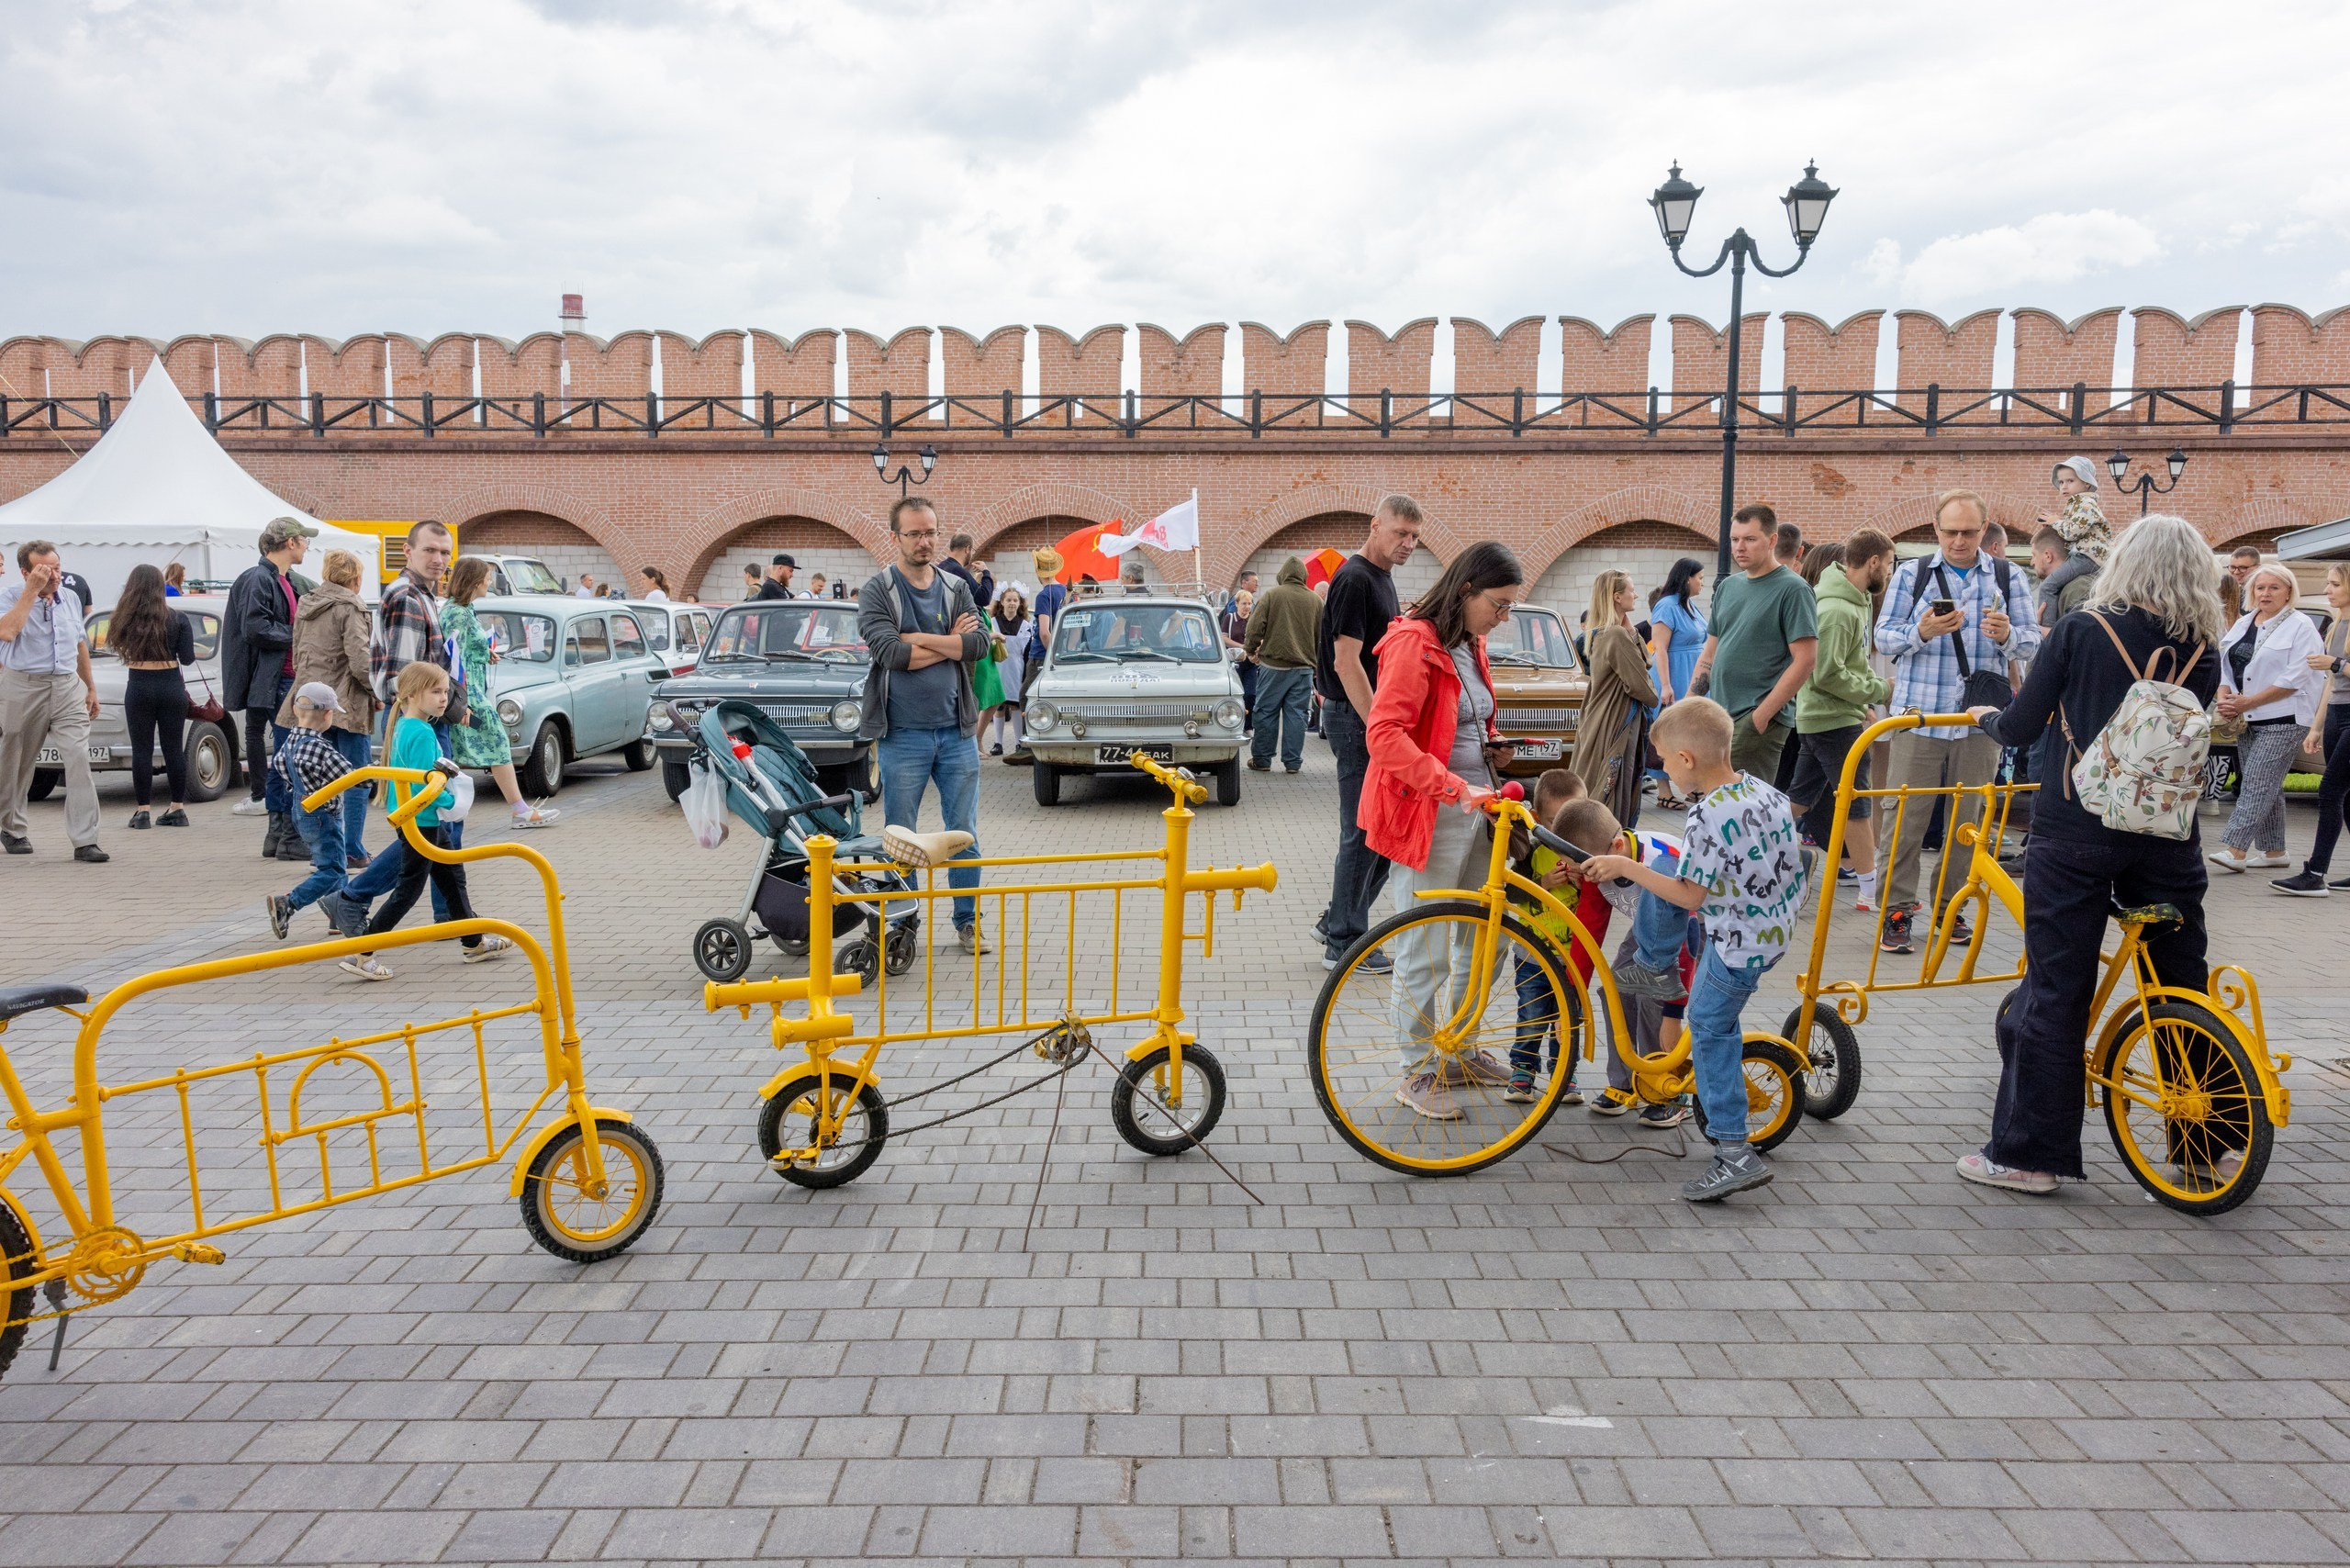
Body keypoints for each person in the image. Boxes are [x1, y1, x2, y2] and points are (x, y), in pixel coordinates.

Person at [1959, 515, 2222, 1193]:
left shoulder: (2083, 629)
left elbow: (2022, 724)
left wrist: (1986, 719)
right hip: (2167, 837)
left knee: (2058, 988)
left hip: (2078, 829)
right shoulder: (2204, 647)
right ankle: (2205, 1142)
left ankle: (2031, 1155)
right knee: (2181, 983)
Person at [1592, 697, 1805, 1203]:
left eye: (1665, 761)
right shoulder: (1764, 790)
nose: (1664, 770)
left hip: (1738, 945)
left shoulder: (1705, 813)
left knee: (1710, 1029)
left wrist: (1626, 868)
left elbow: (1690, 897)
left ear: (1686, 759)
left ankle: (1734, 1153)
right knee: (1667, 867)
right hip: (1768, 927)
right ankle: (1654, 967)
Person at [1360, 540, 1525, 1119]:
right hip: (1430, 811)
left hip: (1478, 808)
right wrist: (1455, 785)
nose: (1502, 617)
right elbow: (1384, 736)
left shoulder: (1469, 642)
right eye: (1499, 605)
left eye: (1509, 607)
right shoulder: (1414, 641)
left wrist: (1492, 749)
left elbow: (1462, 720)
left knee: (1487, 938)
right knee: (1425, 946)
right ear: (1467, 590)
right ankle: (1417, 1069)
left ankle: (1459, 1048)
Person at [1871, 489, 2041, 954]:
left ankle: (1951, 908)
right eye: (1950, 532)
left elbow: (2033, 644)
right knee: (1904, 821)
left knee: (1969, 824)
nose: (1959, 541)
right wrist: (1921, 632)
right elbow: (1884, 638)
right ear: (1936, 529)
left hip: (1979, 721)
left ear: (1984, 529)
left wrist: (2007, 636)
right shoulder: (1913, 573)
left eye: (1968, 532)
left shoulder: (2008, 575)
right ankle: (1896, 912)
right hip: (1918, 718)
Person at [857, 497, 989, 955]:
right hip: (903, 735)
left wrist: (921, 639)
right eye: (914, 533)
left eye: (930, 532)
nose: (924, 541)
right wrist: (950, 641)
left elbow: (979, 645)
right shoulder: (877, 591)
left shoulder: (956, 586)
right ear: (895, 537)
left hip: (957, 733)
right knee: (901, 836)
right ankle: (902, 924)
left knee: (964, 832)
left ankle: (968, 921)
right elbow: (891, 654)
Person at [1315, 495, 1424, 970]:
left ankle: (1337, 921)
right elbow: (1347, 662)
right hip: (1356, 719)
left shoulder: (1380, 577)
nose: (1409, 543)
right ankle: (1343, 942)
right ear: (1375, 525)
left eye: (1415, 536)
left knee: (1379, 832)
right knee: (1363, 832)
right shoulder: (1356, 577)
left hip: (1366, 720)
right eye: (1401, 533)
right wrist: (1379, 726)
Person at [352, 662, 512, 977]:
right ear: (412, 694)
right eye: (436, 692)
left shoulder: (405, 725)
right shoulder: (422, 732)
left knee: (452, 880)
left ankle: (473, 942)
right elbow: (427, 783)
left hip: (419, 820)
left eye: (446, 692)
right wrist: (454, 802)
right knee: (408, 891)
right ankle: (362, 952)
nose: (444, 699)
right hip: (421, 821)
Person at [1791, 530, 1897, 913]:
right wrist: (1878, 690)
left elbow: (1845, 666)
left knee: (1800, 800)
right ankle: (1871, 890)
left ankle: (1749, 847)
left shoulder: (1853, 601)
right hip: (1831, 720)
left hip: (1828, 716)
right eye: (1889, 563)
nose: (1890, 571)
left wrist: (1865, 699)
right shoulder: (1838, 609)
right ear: (1873, 562)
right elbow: (1826, 674)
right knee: (1856, 803)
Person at [367, 521, 464, 919]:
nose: (439, 559)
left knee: (436, 832)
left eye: (445, 552)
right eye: (430, 550)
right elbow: (405, 678)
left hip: (423, 715)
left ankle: (456, 919)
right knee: (428, 829)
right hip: (418, 717)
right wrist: (436, 704)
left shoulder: (422, 594)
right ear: (407, 551)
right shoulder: (408, 595)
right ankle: (352, 898)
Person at [2209, 563, 2325, 874]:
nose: (2266, 593)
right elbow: (2224, 662)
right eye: (2260, 587)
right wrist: (2226, 697)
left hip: (2285, 716)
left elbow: (2296, 677)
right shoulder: (2244, 622)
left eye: (2274, 587)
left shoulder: (2301, 626)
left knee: (2257, 782)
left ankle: (2235, 849)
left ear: (2288, 592)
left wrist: (2249, 700)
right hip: (2247, 717)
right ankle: (2274, 851)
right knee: (2265, 784)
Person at [1689, 503, 1817, 781]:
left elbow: (1806, 660)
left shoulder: (1793, 589)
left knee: (1745, 803)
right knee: (1717, 797)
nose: (1740, 547)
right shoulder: (1728, 587)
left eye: (1749, 539)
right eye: (1734, 539)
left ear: (1772, 540)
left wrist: (1761, 716)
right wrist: (1689, 705)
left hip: (1756, 720)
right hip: (1719, 717)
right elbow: (1710, 652)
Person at [0, 541, 107, 862]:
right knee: (16, 760)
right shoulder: (8, 596)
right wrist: (31, 592)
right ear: (26, 572)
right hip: (23, 685)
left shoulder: (70, 598)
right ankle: (11, 827)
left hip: (66, 686)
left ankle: (86, 839)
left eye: (58, 568)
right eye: (45, 570)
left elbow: (80, 644)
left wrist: (90, 688)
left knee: (78, 757)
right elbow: (8, 631)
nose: (55, 575)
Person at [1504, 769, 1605, 1108]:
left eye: (1573, 825)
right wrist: (1543, 883)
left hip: (1573, 959)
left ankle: (1564, 1073)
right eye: (1555, 824)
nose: (1565, 835)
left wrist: (1584, 884)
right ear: (1536, 818)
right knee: (1532, 1016)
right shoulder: (1531, 852)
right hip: (1532, 955)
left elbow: (1604, 900)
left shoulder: (1590, 854)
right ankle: (1522, 1071)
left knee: (1568, 1020)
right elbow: (1512, 893)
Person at [222, 516, 317, 859]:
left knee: (284, 758)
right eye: (304, 540)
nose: (307, 547)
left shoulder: (282, 579)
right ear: (290, 542)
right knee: (290, 759)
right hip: (278, 681)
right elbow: (255, 628)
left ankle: (279, 835)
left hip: (282, 679)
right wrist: (298, 636)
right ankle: (288, 836)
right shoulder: (260, 578)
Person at [274, 548, 376, 864]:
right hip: (346, 702)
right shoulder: (351, 606)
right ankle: (351, 849)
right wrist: (377, 691)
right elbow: (359, 661)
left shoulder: (306, 603)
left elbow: (298, 653)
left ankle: (324, 848)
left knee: (317, 779)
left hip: (309, 699)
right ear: (356, 579)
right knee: (355, 778)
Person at [441, 558, 560, 829]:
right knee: (494, 739)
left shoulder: (464, 609)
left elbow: (465, 650)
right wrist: (463, 702)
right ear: (474, 581)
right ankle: (518, 810)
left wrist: (484, 652)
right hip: (468, 694)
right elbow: (454, 657)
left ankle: (513, 809)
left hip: (471, 691)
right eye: (487, 577)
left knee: (480, 743)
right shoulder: (458, 613)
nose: (490, 582)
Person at [265, 682, 368, 942]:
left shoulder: (290, 742)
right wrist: (371, 776)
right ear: (327, 715)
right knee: (331, 870)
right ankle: (289, 903)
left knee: (336, 865)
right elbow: (351, 777)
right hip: (325, 816)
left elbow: (280, 767)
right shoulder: (320, 748)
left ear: (295, 709)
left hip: (301, 812)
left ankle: (339, 918)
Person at [2273, 564, 2350, 895]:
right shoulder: (2337, 625)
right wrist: (2316, 728)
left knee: (2330, 791)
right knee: (2346, 796)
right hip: (2336, 713)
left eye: (2335, 584)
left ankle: (2315, 873)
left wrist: (2337, 663)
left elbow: (2336, 669)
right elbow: (2331, 684)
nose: (2328, 589)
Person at [110, 564, 196, 831]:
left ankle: (143, 811)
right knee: (174, 749)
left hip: (138, 685)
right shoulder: (178, 618)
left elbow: (117, 647)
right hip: (171, 686)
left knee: (142, 750)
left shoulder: (123, 619)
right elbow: (188, 659)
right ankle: (177, 808)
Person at [1570, 570, 1659, 825]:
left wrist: (1630, 629)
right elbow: (1643, 688)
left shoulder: (1604, 632)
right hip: (1615, 721)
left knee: (1600, 780)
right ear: (1617, 597)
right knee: (1612, 784)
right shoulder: (1616, 635)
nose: (1636, 595)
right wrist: (1654, 694)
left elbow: (1644, 662)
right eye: (1632, 590)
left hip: (1602, 718)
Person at [1245, 556, 1320, 774]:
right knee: (1297, 715)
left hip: (1273, 667)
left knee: (1266, 712)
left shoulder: (1272, 595)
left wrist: (1250, 650)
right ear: (1303, 576)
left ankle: (1262, 760)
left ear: (1282, 575)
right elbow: (1321, 635)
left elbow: (1255, 626)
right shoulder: (1316, 600)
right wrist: (1316, 663)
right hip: (1304, 668)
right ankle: (1293, 762)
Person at [1648, 558, 1707, 802]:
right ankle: (1664, 791)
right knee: (1669, 732)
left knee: (1691, 733)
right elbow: (1660, 648)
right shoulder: (1666, 606)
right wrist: (1666, 685)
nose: (1702, 583)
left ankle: (1691, 784)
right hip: (1674, 674)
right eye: (1700, 578)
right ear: (1687, 579)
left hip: (1691, 674)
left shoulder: (1689, 605)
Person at [2042, 454, 2115, 568]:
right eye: (2061, 482)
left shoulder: (2086, 504)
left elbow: (2073, 533)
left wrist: (2056, 522)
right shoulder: (2077, 504)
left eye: (2070, 481)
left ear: (2087, 483)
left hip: (2088, 557)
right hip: (2083, 556)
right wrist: (2054, 525)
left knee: (2051, 580)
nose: (2064, 486)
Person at [987, 586, 1031, 758]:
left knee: (1016, 705)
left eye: (1015, 600)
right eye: (1009, 600)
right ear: (1002, 602)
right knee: (998, 705)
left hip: (1016, 668)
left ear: (1020, 603)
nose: (1012, 603)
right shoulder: (994, 622)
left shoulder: (1025, 625)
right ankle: (998, 743)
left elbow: (1026, 652)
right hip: (998, 667)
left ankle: (1019, 741)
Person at [2031, 527, 2099, 628]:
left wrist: (2041, 631)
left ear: (2048, 556)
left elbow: (2077, 635)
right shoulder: (2064, 588)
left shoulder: (2078, 588)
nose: (2032, 562)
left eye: (2034, 555)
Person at [1221, 587, 1257, 732]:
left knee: (1250, 694)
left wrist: (1255, 649)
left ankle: (1248, 726)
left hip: (1251, 662)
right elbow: (1224, 638)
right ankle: (1233, 723)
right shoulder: (1230, 619)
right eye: (1244, 603)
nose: (1247, 607)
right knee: (1235, 694)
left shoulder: (1254, 619)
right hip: (1234, 662)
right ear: (1236, 604)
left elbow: (1261, 637)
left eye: (1249, 603)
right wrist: (1242, 646)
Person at [939, 533, 995, 610]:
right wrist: (986, 572)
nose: (972, 554)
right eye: (973, 551)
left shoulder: (939, 568)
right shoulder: (960, 573)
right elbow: (984, 598)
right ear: (967, 549)